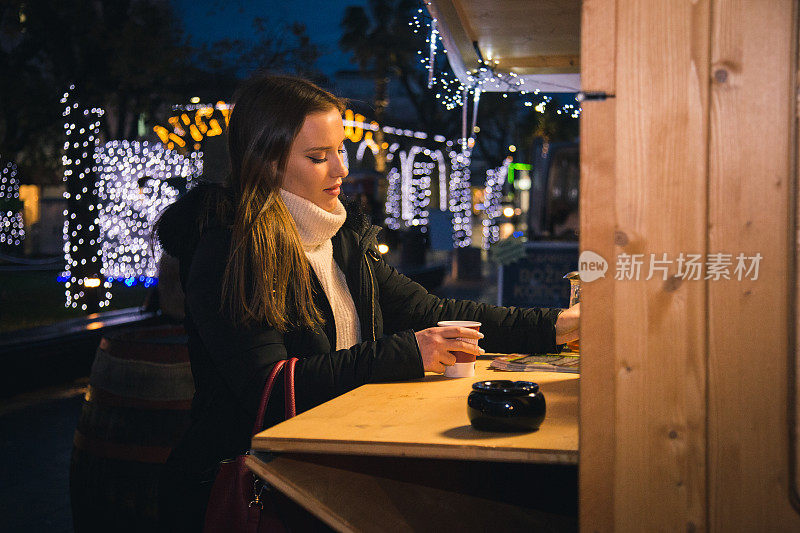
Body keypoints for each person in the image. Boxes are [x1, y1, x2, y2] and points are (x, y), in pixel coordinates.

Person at [153, 73, 580, 532]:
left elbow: (431, 313)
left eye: (340, 150)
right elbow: (271, 390)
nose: (341, 169)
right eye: (319, 157)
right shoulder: (231, 249)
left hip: (327, 470)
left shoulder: (340, 237)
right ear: (268, 163)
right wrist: (409, 352)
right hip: (255, 489)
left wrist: (556, 325)